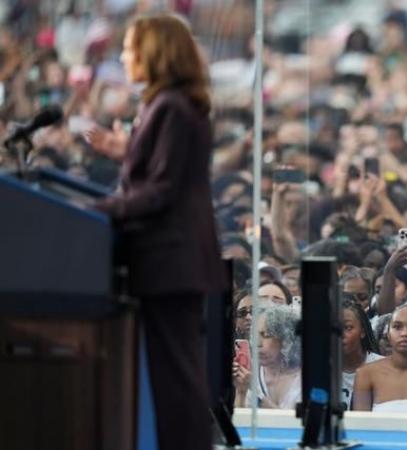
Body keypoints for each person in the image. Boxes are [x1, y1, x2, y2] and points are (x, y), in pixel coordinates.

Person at [87, 15, 225, 450]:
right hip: (173, 260)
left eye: (130, 48)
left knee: (177, 382)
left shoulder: (169, 105)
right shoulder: (174, 104)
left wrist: (97, 209)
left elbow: (162, 190)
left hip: (172, 260)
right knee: (174, 379)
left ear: (155, 51)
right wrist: (126, 150)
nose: (125, 57)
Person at [234, 304, 302, 409]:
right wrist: (241, 392)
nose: (257, 344)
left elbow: (292, 424)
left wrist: (257, 395)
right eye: (255, 335)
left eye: (265, 335)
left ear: (286, 339)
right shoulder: (250, 375)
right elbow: (240, 422)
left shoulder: (302, 381)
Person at [341, 299, 383, 409]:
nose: (340, 334)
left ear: (363, 332)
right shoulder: (320, 371)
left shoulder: (383, 367)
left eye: (347, 328)